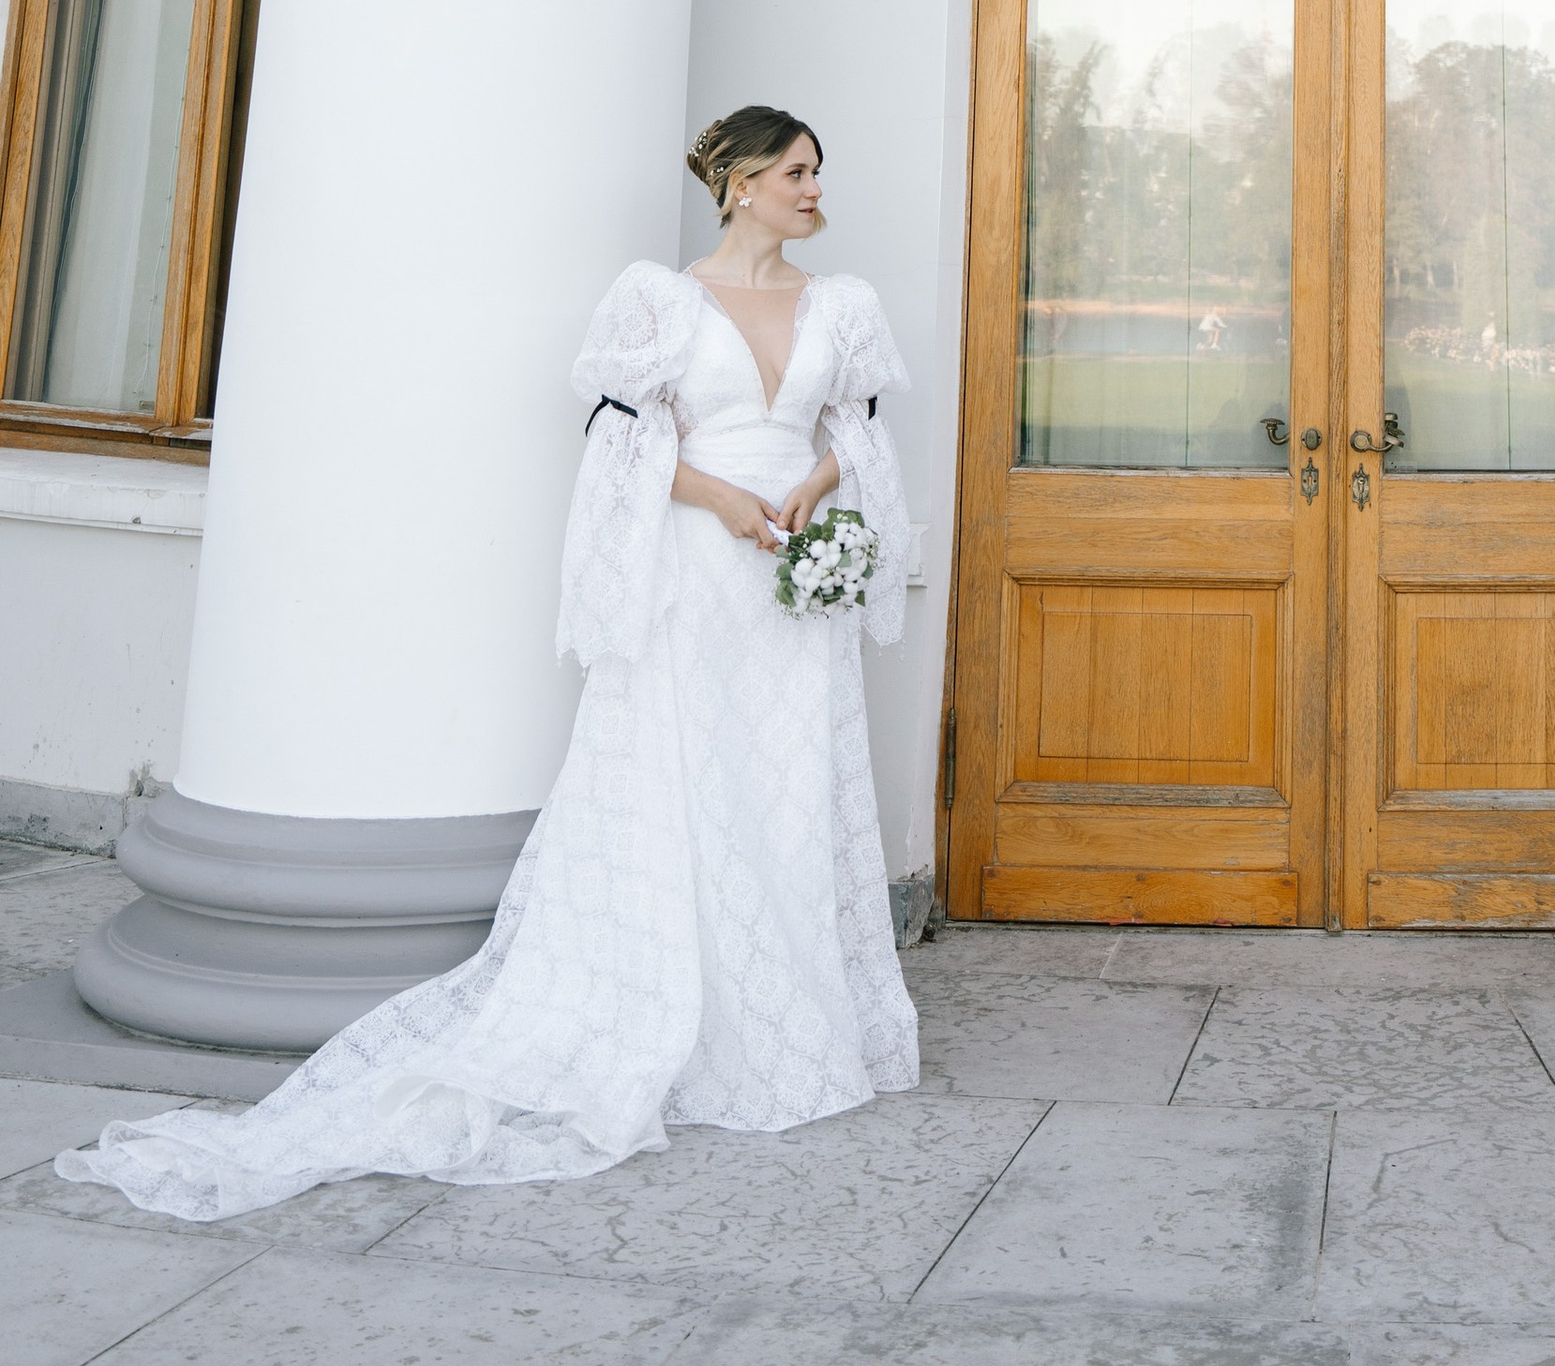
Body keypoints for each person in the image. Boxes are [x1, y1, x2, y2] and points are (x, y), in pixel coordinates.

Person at [63, 105, 917, 1220]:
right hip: (693, 577)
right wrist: (720, 500)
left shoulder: (840, 305)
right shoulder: (659, 301)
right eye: (796, 172)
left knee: (790, 788)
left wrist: (809, 491)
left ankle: (793, 1018)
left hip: (789, 585)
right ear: (742, 183)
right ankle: (685, 1018)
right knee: (691, 783)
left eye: (815, 171)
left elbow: (851, 430)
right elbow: (624, 441)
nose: (814, 189)